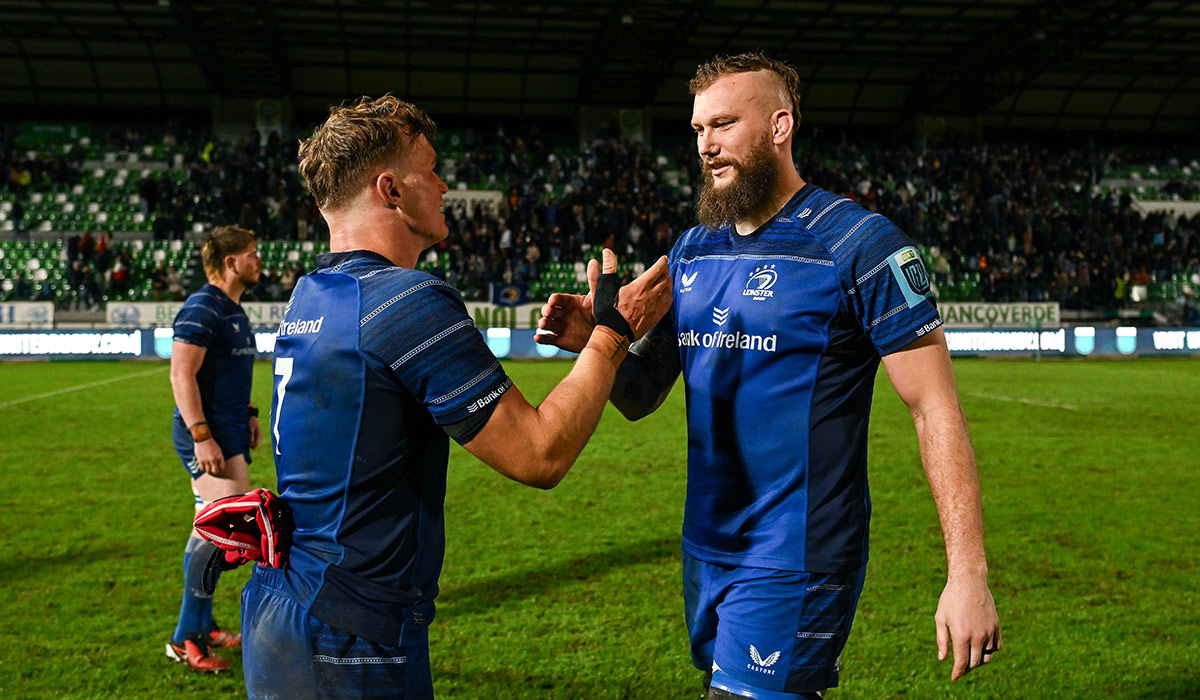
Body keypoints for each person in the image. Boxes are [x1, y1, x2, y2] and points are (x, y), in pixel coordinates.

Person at [537, 53, 1002, 700]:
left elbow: (935, 408)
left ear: (780, 126)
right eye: (699, 129)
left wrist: (967, 572)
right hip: (704, 547)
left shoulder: (862, 246)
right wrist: (595, 343)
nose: (706, 146)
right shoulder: (693, 249)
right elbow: (643, 396)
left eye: (724, 124)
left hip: (797, 552)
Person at [240, 95, 672, 699]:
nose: (445, 185)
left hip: (284, 602)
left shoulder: (312, 293)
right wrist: (611, 333)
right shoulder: (406, 300)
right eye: (432, 169)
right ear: (391, 189)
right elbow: (540, 453)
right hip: (353, 632)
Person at [166, 225, 263, 673]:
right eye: (251, 254)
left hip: (227, 430)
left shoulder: (231, 310)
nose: (258, 260)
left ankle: (201, 624)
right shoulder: (203, 306)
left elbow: (229, 374)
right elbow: (181, 375)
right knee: (220, 532)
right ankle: (186, 637)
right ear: (230, 262)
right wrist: (202, 435)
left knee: (209, 530)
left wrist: (249, 413)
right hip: (207, 436)